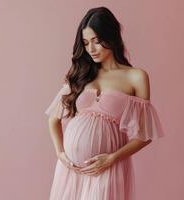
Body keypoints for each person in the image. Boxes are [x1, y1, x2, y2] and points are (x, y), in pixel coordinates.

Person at [44, 6, 165, 200]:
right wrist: (61, 154)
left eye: (97, 41)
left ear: (112, 37)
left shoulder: (136, 77)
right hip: (71, 171)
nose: (90, 49)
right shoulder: (82, 74)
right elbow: (53, 121)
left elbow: (145, 135)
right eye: (85, 43)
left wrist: (112, 159)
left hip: (107, 168)